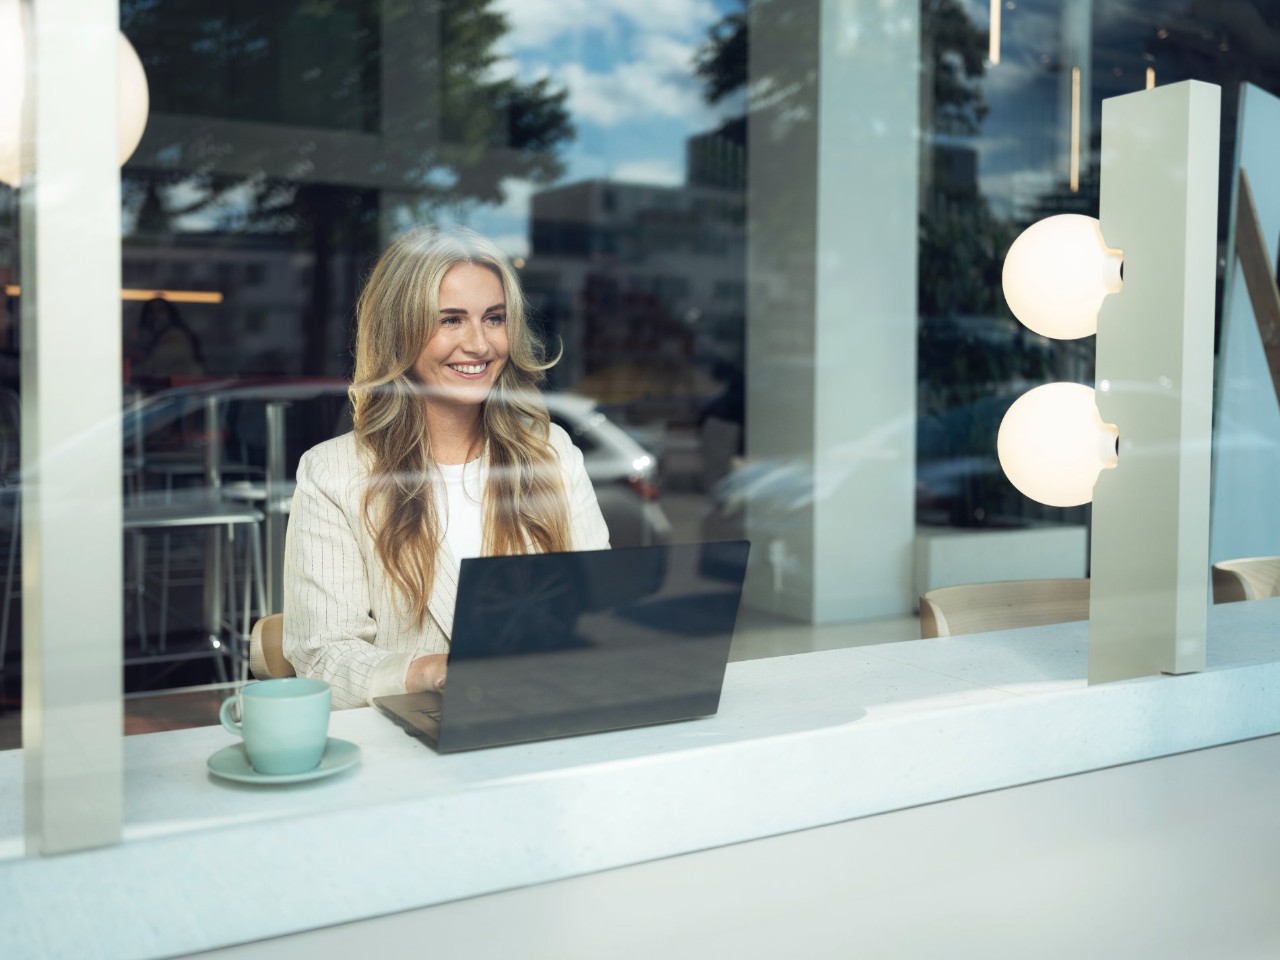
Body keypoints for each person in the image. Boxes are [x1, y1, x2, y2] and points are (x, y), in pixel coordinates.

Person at [283, 227, 610, 708]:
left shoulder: (551, 452)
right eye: (451, 320)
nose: (478, 344)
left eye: (493, 319)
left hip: (549, 714)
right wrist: (430, 671)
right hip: (412, 745)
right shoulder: (331, 473)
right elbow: (322, 657)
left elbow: (598, 605)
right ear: (400, 331)